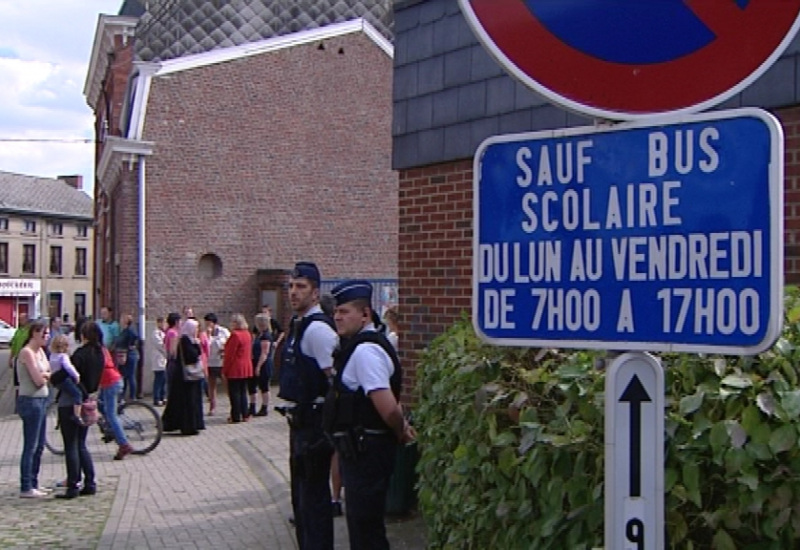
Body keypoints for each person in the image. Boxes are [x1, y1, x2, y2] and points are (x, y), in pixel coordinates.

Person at [325, 280, 416, 550]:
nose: (338, 318)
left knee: (366, 530)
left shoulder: (366, 352)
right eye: (337, 312)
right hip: (361, 451)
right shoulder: (358, 347)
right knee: (364, 527)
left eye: (344, 312)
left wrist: (400, 430)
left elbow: (386, 404)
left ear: (365, 314)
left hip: (367, 452)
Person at [278, 261, 338, 550]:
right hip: (300, 424)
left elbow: (336, 381)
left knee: (313, 502)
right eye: (291, 286)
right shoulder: (299, 326)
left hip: (314, 426)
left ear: (316, 293)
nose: (293, 292)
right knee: (301, 500)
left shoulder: (318, 331)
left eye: (301, 287)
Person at [57, 321, 105, 498]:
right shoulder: (100, 353)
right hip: (88, 400)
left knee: (71, 444)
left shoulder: (81, 354)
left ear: (83, 336)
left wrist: (52, 375)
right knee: (81, 444)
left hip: (71, 401)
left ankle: (73, 485)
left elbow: (66, 375)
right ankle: (90, 482)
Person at [82, 321, 134, 462]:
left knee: (111, 414)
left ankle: (123, 444)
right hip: (109, 382)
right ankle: (111, 430)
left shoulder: (96, 351)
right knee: (101, 407)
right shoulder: (100, 348)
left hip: (111, 383)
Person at [15, 319, 51, 498]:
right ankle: (26, 485)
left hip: (42, 400)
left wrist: (45, 375)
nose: (47, 337)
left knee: (40, 444)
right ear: (35, 333)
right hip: (30, 401)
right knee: (31, 444)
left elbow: (49, 372)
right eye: (44, 333)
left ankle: (34, 482)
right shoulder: (27, 353)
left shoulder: (41, 352)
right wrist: (45, 376)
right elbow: (38, 380)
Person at [162, 318, 205, 435]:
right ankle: (188, 426)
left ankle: (194, 424)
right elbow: (191, 356)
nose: (197, 330)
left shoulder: (190, 340)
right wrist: (197, 346)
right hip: (185, 378)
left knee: (193, 401)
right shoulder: (185, 340)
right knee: (188, 403)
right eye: (195, 328)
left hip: (191, 377)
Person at [222, 313, 253, 423]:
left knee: (234, 393)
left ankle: (235, 416)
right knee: (243, 391)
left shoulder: (235, 335)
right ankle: (245, 414)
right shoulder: (247, 334)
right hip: (246, 366)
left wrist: (225, 369)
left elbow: (230, 354)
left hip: (235, 367)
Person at [48, 334, 85, 425]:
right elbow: (68, 367)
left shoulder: (52, 356)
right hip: (64, 379)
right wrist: (76, 375)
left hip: (56, 380)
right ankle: (77, 415)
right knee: (78, 394)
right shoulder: (63, 356)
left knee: (64, 394)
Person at [204, 312, 229, 416]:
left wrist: (221, 348)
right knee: (211, 385)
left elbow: (225, 343)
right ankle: (212, 407)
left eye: (209, 323)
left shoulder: (223, 331)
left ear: (213, 323)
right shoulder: (205, 333)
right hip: (210, 362)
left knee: (226, 384)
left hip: (221, 362)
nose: (207, 326)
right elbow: (206, 346)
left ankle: (232, 404)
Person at [250, 313, 273, 417]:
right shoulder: (259, 335)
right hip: (255, 362)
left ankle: (264, 407)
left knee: (264, 386)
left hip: (263, 364)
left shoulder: (266, 336)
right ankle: (252, 406)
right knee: (252, 385)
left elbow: (264, 353)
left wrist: (258, 366)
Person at [116, 314, 140, 401]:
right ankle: (122, 396)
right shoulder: (124, 330)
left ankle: (133, 397)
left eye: (122, 319)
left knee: (130, 375)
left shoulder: (130, 330)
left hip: (129, 355)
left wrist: (130, 346)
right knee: (124, 376)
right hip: (123, 354)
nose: (121, 320)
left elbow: (134, 338)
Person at [152, 316, 168, 406]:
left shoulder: (163, 333)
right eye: (162, 323)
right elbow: (160, 345)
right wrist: (167, 350)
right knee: (159, 379)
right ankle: (156, 398)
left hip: (163, 359)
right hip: (158, 359)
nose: (164, 325)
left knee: (164, 379)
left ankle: (163, 396)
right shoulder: (155, 333)